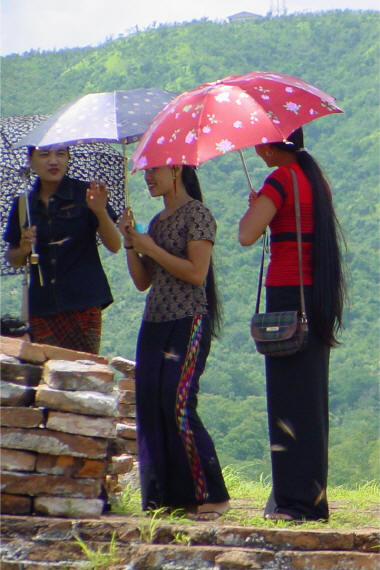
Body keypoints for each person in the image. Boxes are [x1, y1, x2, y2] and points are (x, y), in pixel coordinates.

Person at [239, 128, 346, 522]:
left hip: (287, 296)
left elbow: (246, 235)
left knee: (285, 401)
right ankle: (310, 498)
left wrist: (255, 210)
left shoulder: (280, 179)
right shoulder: (315, 179)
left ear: (269, 145)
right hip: (316, 297)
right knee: (310, 401)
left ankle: (292, 502)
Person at [118, 164, 230, 520]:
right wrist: (131, 245)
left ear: (176, 169)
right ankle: (166, 497)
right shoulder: (155, 222)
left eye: (154, 171)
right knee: (151, 407)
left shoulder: (197, 214)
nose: (148, 178)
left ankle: (210, 494)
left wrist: (149, 246)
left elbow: (196, 273)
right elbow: (142, 282)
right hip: (154, 321)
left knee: (178, 404)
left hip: (188, 319)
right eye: (146, 172)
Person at [3, 146, 121, 353]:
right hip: (42, 304)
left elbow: (114, 245)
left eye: (60, 154)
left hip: (84, 301)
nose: (53, 161)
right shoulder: (24, 205)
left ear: (68, 158)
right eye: (44, 155)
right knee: (47, 376)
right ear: (31, 160)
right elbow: (14, 259)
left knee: (84, 372)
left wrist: (100, 211)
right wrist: (23, 248)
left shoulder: (86, 194)